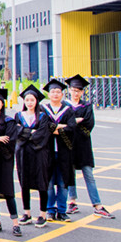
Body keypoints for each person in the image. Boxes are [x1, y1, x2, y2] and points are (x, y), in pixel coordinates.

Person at [65, 74, 114, 219]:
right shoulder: (65, 106)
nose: (76, 93)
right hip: (67, 143)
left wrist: (72, 123)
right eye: (74, 90)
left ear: (82, 92)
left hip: (83, 144)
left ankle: (97, 205)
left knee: (89, 175)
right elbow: (64, 123)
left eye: (79, 90)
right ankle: (72, 202)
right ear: (69, 90)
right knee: (70, 174)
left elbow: (89, 124)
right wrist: (75, 122)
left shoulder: (87, 106)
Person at [15, 85, 52, 228]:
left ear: (37, 101)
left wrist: (26, 133)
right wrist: (30, 132)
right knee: (24, 182)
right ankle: (27, 213)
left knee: (42, 182)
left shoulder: (43, 116)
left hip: (39, 152)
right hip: (23, 153)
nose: (29, 102)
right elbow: (16, 132)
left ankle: (42, 214)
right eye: (27, 100)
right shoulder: (19, 115)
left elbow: (43, 134)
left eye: (32, 100)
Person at [0, 87, 23, 237]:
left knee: (8, 191)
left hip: (5, 160)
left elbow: (10, 140)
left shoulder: (9, 121)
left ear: (2, 104)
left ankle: (15, 224)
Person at [42, 79, 77, 222]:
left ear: (62, 94)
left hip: (64, 152)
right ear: (48, 94)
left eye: (58, 92)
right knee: (49, 183)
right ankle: (50, 210)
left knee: (63, 183)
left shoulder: (68, 110)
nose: (55, 94)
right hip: (47, 152)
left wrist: (54, 129)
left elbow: (72, 128)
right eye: (53, 92)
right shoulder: (43, 110)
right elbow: (43, 127)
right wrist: (60, 127)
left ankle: (62, 211)